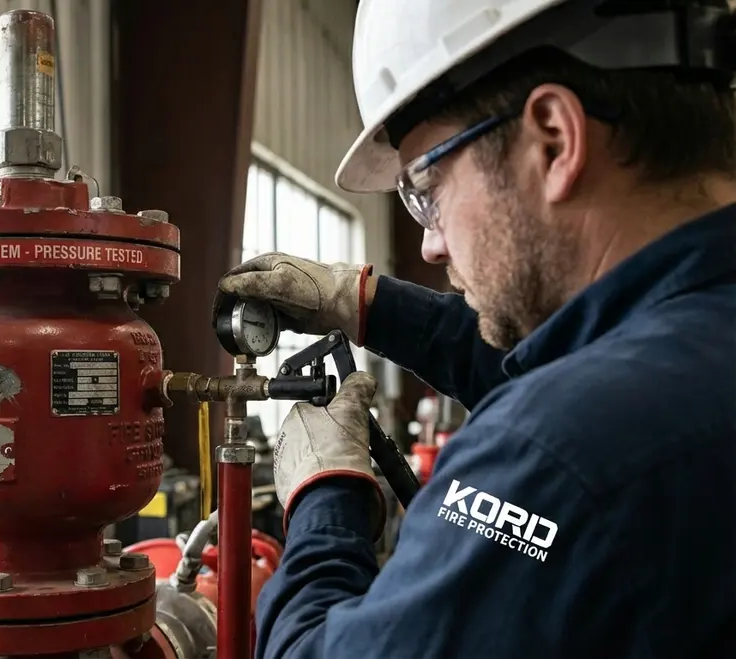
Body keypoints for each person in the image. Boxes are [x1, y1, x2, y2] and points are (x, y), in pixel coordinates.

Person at [219, 1, 736, 657]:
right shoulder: (692, 349)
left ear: (553, 140)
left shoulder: (554, 453)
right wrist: (370, 305)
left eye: (426, 190)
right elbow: (598, 363)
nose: (430, 244)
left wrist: (325, 503)